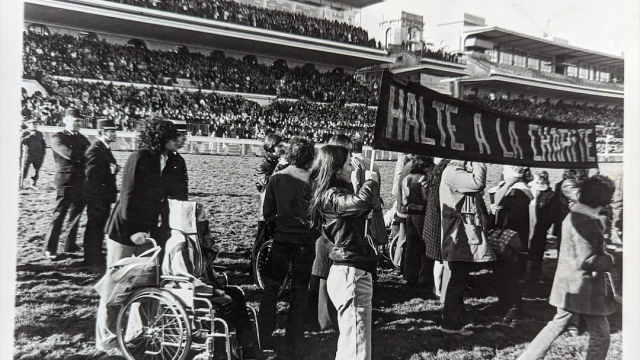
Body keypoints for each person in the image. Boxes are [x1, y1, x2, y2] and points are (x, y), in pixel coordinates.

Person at [97, 117, 181, 350]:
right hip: (125, 232)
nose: (178, 140)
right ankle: (108, 339)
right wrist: (134, 231)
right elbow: (128, 197)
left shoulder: (166, 160)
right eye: (173, 136)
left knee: (145, 286)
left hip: (147, 232)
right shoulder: (139, 158)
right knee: (116, 287)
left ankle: (138, 333)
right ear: (159, 137)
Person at [517, 175, 617, 360]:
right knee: (600, 334)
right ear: (602, 198)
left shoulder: (576, 215)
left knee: (557, 324)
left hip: (568, 284)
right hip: (584, 288)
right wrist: (613, 259)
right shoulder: (585, 221)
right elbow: (586, 260)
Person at [308, 145, 379, 360]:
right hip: (350, 273)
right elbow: (362, 202)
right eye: (350, 163)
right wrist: (371, 180)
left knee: (350, 344)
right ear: (336, 169)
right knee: (357, 349)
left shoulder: (333, 194)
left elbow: (362, 206)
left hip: (349, 270)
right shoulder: (331, 195)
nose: (354, 167)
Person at [258, 137, 319, 348]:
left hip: (281, 239)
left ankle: (264, 333)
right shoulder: (313, 181)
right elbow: (318, 214)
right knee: (300, 289)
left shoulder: (276, 178)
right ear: (310, 157)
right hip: (305, 241)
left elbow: (268, 213)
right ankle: (294, 337)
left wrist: (278, 229)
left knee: (271, 287)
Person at [439, 161, 495, 336]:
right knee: (457, 279)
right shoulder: (454, 172)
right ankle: (451, 324)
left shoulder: (453, 171)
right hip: (459, 235)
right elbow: (478, 183)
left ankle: (456, 321)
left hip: (459, 234)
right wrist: (479, 161)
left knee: (458, 279)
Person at [44, 109, 91, 260]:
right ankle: (50, 248)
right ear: (65, 120)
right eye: (74, 120)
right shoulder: (58, 137)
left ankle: (69, 244)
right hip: (66, 181)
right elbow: (71, 155)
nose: (77, 123)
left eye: (79, 121)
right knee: (59, 215)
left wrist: (83, 154)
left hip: (82, 180)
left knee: (76, 214)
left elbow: (91, 153)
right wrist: (84, 154)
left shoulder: (82, 138)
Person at [489, 166, 533, 323]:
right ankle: (506, 306)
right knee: (504, 275)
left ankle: (513, 309)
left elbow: (514, 218)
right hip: (511, 240)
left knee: (508, 276)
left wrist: (496, 211)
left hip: (512, 241)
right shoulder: (517, 190)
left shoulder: (518, 192)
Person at [83, 119, 119, 270]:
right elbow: (91, 173)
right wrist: (110, 170)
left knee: (98, 225)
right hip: (97, 195)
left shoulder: (103, 148)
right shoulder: (95, 149)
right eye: (112, 131)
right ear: (103, 132)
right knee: (95, 225)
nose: (115, 134)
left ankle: (95, 253)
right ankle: (91, 257)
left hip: (102, 195)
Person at [251, 133, 286, 283]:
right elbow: (268, 184)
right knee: (261, 243)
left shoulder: (280, 162)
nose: (282, 148)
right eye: (279, 146)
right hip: (266, 211)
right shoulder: (262, 165)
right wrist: (280, 166)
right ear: (271, 146)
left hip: (279, 209)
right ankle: (254, 275)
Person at [397, 155, 434, 288]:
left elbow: (405, 196)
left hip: (410, 212)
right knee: (424, 245)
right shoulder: (423, 178)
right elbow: (426, 197)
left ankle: (409, 275)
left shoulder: (408, 177)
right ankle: (423, 276)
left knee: (411, 245)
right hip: (421, 213)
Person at [420, 158, 449, 298]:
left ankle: (435, 288)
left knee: (437, 259)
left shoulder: (432, 181)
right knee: (440, 259)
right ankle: (437, 289)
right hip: (438, 223)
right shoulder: (442, 185)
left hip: (430, 222)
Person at [527, 171, 557, 283]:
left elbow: (551, 214)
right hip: (526, 225)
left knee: (537, 252)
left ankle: (534, 275)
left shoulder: (550, 195)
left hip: (539, 228)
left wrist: (544, 226)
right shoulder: (529, 190)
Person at [163, 124, 189, 200]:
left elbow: (183, 180)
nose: (181, 144)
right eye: (181, 141)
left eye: (183, 142)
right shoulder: (163, 157)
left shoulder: (179, 159)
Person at [20, 119, 46, 190]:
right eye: (33, 124)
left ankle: (33, 183)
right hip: (28, 154)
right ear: (28, 125)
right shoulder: (24, 132)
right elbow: (22, 141)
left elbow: (43, 143)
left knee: (36, 170)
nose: (35, 126)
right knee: (24, 169)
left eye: (36, 124)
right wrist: (30, 136)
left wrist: (43, 153)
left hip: (38, 154)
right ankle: (20, 183)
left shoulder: (39, 133)